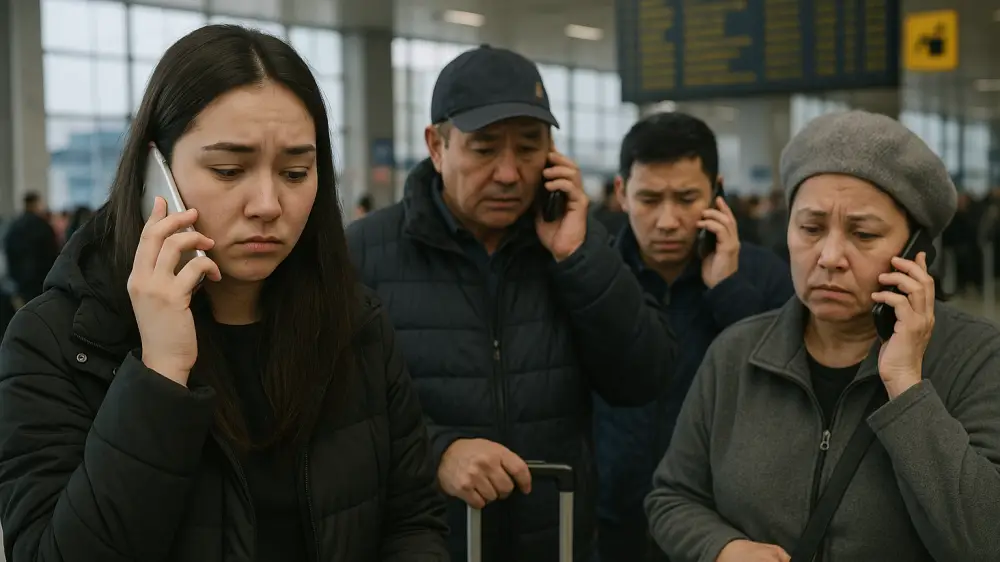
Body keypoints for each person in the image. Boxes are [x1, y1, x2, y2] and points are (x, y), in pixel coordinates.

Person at [0, 25, 447, 562]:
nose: (268, 204)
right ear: (155, 173)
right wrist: (159, 374)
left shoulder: (356, 323)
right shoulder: (58, 341)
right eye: (229, 170)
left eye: (296, 172)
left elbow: (412, 523)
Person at [347, 44, 674, 562]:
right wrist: (436, 452)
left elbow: (643, 377)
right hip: (425, 544)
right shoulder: (364, 254)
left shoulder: (578, 247)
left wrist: (578, 257)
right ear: (436, 146)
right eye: (484, 149)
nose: (508, 173)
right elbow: (332, 409)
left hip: (556, 540)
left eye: (528, 148)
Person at [646, 110, 1000, 562]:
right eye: (810, 229)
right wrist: (721, 548)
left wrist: (907, 388)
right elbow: (672, 497)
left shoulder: (976, 358)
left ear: (917, 252)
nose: (830, 256)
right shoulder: (737, 352)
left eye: (863, 234)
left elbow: (986, 542)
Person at [593, 112, 793, 562]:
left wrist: (728, 291)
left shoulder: (763, 277)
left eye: (686, 198)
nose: (667, 221)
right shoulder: (597, 276)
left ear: (716, 190)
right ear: (622, 193)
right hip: (611, 519)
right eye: (648, 199)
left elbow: (786, 389)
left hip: (722, 528)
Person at [3, 192, 59, 304]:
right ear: (36, 204)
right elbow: (52, 252)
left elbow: (9, 252)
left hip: (21, 279)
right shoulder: (43, 226)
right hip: (41, 277)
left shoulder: (14, 226)